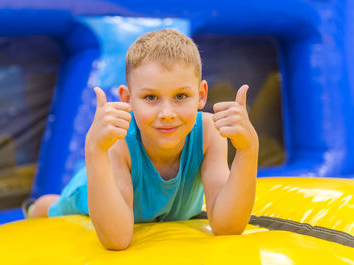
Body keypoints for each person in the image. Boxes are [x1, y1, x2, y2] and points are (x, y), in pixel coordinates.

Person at [24, 29, 259, 250]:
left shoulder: (209, 133)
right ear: (127, 99)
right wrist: (95, 151)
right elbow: (117, 240)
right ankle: (34, 207)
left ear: (201, 95)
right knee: (54, 207)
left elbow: (227, 226)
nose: (167, 113)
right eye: (151, 97)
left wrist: (248, 149)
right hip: (96, 186)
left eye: (180, 96)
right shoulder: (120, 141)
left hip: (160, 208)